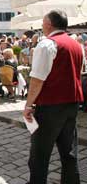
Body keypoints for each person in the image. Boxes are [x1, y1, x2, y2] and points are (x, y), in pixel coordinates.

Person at [23, 10, 83, 184]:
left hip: (50, 106)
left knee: (40, 154)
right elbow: (77, 73)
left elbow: (37, 79)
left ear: (49, 25)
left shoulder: (47, 44)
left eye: (43, 23)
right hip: (71, 105)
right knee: (69, 152)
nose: (42, 26)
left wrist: (28, 105)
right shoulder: (76, 45)